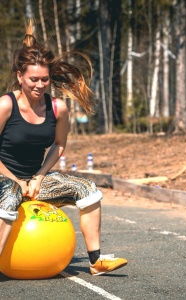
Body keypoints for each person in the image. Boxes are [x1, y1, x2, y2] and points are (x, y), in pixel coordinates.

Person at [0, 20, 127, 276]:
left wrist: (39, 176)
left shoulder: (58, 108)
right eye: (33, 79)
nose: (39, 85)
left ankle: (96, 261)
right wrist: (17, 181)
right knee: (11, 193)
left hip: (33, 180)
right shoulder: (5, 105)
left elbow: (59, 145)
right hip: (4, 179)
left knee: (87, 188)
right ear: (20, 77)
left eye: (44, 79)